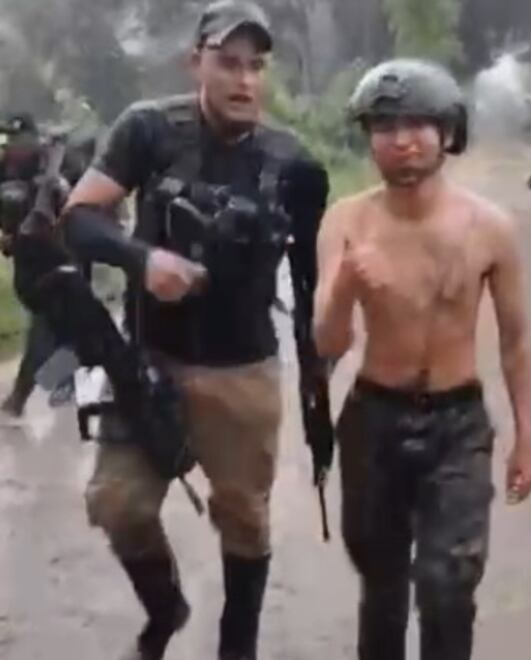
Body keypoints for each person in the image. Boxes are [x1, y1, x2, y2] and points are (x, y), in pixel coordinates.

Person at [56, 2, 330, 658]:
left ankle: (238, 648)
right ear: (195, 63)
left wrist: (316, 398)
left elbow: (310, 287)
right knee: (116, 505)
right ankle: (165, 608)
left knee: (245, 522)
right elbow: (79, 218)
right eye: (228, 63)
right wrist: (142, 260)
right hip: (152, 362)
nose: (244, 80)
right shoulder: (149, 130)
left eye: (255, 66)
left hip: (244, 371)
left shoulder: (294, 164)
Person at [313, 59, 531, 660]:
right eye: (385, 126)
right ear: (368, 137)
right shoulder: (347, 222)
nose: (402, 140)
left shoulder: (490, 228)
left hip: (457, 424)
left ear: (447, 132)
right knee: (382, 584)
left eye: (417, 124)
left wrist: (524, 438)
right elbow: (327, 343)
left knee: (448, 584)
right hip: (374, 419)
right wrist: (347, 285)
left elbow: (515, 341)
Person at [0, 113, 77, 420]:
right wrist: (7, 236)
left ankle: (18, 400)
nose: (12, 145)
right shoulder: (6, 169)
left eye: (19, 139)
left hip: (59, 262)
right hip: (25, 265)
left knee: (44, 330)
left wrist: (58, 190)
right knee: (65, 334)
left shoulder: (55, 167)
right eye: (8, 139)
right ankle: (65, 384)